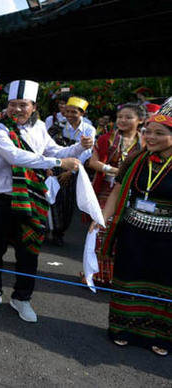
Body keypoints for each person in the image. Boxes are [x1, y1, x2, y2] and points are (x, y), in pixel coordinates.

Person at [0, 80, 93, 322]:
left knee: (29, 251)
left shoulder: (39, 129)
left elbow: (55, 150)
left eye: (22, 105)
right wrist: (58, 164)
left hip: (30, 197)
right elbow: (17, 157)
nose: (17, 110)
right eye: (12, 105)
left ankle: (22, 298)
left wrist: (80, 147)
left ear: (33, 106)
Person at [94, 98, 172, 357]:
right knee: (128, 280)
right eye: (148, 131)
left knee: (162, 284)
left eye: (159, 133)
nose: (150, 137)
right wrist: (103, 216)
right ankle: (122, 329)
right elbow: (117, 190)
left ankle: (160, 336)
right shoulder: (137, 159)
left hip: (167, 239)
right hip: (133, 232)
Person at [87, 103, 144, 284]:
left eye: (128, 117)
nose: (123, 120)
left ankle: (116, 276)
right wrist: (113, 169)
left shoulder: (145, 142)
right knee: (101, 230)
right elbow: (93, 162)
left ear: (140, 121)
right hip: (105, 191)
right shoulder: (106, 139)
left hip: (133, 193)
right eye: (120, 117)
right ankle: (97, 274)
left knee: (125, 234)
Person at [48, 97, 96, 246]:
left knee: (67, 202)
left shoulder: (89, 129)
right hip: (55, 165)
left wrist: (72, 171)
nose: (68, 114)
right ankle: (49, 230)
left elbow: (86, 152)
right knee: (51, 199)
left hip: (75, 169)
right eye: (66, 111)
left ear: (82, 113)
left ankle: (60, 232)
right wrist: (47, 167)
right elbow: (47, 147)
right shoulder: (58, 126)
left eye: (73, 112)